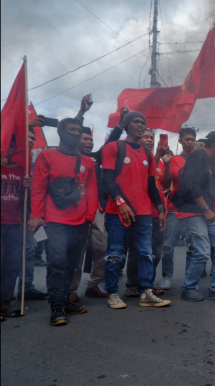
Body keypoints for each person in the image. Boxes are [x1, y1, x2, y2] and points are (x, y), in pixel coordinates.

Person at [28, 118, 99, 326]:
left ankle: (66, 301)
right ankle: (57, 307)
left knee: (72, 264)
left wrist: (90, 215)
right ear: (61, 133)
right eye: (72, 130)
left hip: (80, 221)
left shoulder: (87, 161)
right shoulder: (46, 156)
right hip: (55, 220)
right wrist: (36, 214)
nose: (76, 133)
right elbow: (38, 187)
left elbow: (93, 189)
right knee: (57, 263)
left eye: (78, 130)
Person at [101, 111, 170, 309]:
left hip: (144, 213)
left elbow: (151, 184)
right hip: (118, 212)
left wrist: (160, 208)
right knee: (115, 252)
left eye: (143, 122)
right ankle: (112, 293)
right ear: (126, 125)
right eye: (136, 122)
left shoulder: (148, 153)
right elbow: (107, 179)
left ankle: (146, 292)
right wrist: (120, 202)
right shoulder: (114, 147)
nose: (140, 125)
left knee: (146, 253)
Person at [173, 131, 215, 302]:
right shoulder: (197, 157)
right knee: (202, 251)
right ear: (214, 145)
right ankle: (188, 288)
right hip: (191, 210)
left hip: (207, 211)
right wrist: (206, 209)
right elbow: (191, 184)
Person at [124, 129, 172, 296]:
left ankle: (148, 284)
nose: (150, 140)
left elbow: (166, 184)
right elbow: (145, 178)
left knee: (156, 251)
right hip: (140, 212)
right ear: (138, 138)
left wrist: (166, 164)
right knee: (136, 250)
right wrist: (157, 156)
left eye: (152, 137)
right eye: (146, 137)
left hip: (158, 212)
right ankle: (132, 284)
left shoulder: (159, 161)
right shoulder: (136, 159)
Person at [68, 126, 109, 301]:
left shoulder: (95, 158)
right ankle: (71, 289)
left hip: (97, 207)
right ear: (75, 140)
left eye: (91, 140)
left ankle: (93, 285)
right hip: (76, 208)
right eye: (85, 139)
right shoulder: (69, 157)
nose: (89, 142)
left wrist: (121, 123)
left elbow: (111, 141)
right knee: (78, 250)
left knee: (101, 247)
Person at [1, 136, 33, 320]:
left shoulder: (22, 170)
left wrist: (29, 187)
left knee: (11, 264)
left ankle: (5, 302)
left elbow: (25, 200)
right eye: (5, 145)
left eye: (12, 145)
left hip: (14, 222)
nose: (8, 149)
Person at [161, 127, 196, 290]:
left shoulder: (200, 159)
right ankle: (167, 277)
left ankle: (190, 280)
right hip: (175, 208)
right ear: (180, 141)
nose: (190, 142)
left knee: (192, 247)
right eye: (187, 139)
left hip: (193, 209)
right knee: (168, 246)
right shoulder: (174, 160)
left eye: (192, 140)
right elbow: (174, 178)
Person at [17, 128, 49, 301]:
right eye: (27, 136)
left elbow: (41, 188)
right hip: (8, 212)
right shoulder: (7, 160)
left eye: (33, 137)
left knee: (30, 249)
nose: (30, 140)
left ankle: (26, 287)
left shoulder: (37, 163)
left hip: (28, 212)